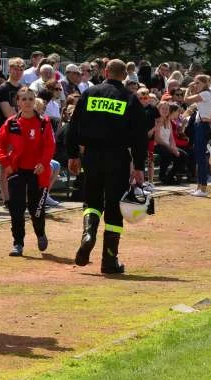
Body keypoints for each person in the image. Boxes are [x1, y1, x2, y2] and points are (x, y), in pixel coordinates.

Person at [66, 59, 148, 274]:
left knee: (91, 201)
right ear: (124, 76)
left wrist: (73, 154)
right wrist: (139, 166)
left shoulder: (89, 93)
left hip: (91, 156)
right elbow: (140, 137)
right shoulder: (129, 98)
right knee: (113, 207)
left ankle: (88, 235)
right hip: (118, 158)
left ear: (105, 72)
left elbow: (74, 125)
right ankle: (109, 261)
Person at [0, 85, 54, 258]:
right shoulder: (11, 123)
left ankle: (40, 233)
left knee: (37, 208)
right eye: (24, 99)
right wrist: (6, 163)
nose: (27, 102)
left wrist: (44, 163)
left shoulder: (44, 122)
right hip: (17, 171)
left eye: (30, 99)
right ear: (18, 102)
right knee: (16, 208)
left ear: (34, 101)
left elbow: (49, 145)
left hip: (38, 172)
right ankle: (18, 243)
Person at [182, 74, 211, 197]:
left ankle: (203, 188)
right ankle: (199, 187)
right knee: (199, 157)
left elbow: (186, 100)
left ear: (204, 83)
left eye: (197, 83)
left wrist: (188, 89)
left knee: (201, 158)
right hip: (200, 126)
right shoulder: (207, 94)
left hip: (202, 126)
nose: (195, 85)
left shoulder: (205, 94)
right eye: (195, 83)